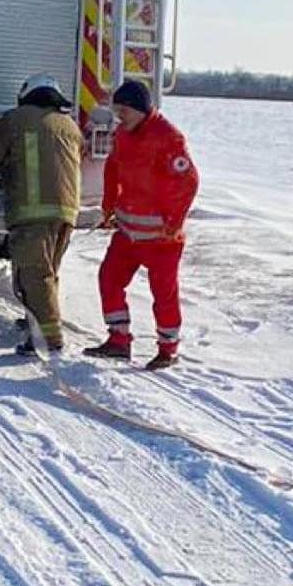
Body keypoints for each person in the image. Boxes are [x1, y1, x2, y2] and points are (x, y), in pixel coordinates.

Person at [84, 78, 199, 370]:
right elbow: (112, 168)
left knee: (164, 294)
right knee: (108, 279)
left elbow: (188, 181)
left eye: (124, 110)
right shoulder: (122, 134)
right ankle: (118, 340)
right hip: (127, 233)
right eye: (117, 110)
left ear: (141, 109)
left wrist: (173, 222)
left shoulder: (168, 137)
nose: (120, 116)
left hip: (161, 239)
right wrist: (109, 207)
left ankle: (168, 348)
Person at [0, 73, 83, 356]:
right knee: (48, 272)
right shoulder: (70, 126)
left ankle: (48, 339)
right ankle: (38, 321)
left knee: (33, 274)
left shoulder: (16, 119)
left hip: (32, 211)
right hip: (66, 212)